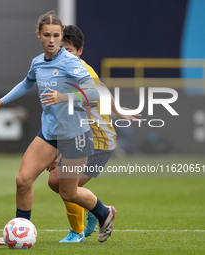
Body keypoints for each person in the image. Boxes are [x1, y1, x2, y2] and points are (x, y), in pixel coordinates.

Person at [0, 11, 116, 244]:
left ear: (61, 35)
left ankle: (105, 214)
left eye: (56, 35)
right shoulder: (37, 62)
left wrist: (64, 96)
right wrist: (0, 102)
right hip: (49, 133)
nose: (52, 40)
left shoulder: (71, 62)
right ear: (39, 35)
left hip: (75, 135)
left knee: (68, 192)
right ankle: (20, 231)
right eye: (47, 35)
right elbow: (27, 83)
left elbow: (95, 93)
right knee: (23, 180)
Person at [48, 25, 118, 243]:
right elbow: (102, 87)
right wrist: (119, 110)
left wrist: (58, 152)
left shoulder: (81, 72)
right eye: (60, 50)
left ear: (80, 51)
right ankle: (95, 211)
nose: (62, 54)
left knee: (67, 185)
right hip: (85, 136)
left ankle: (87, 224)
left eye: (67, 50)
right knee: (56, 182)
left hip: (98, 141)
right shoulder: (72, 70)